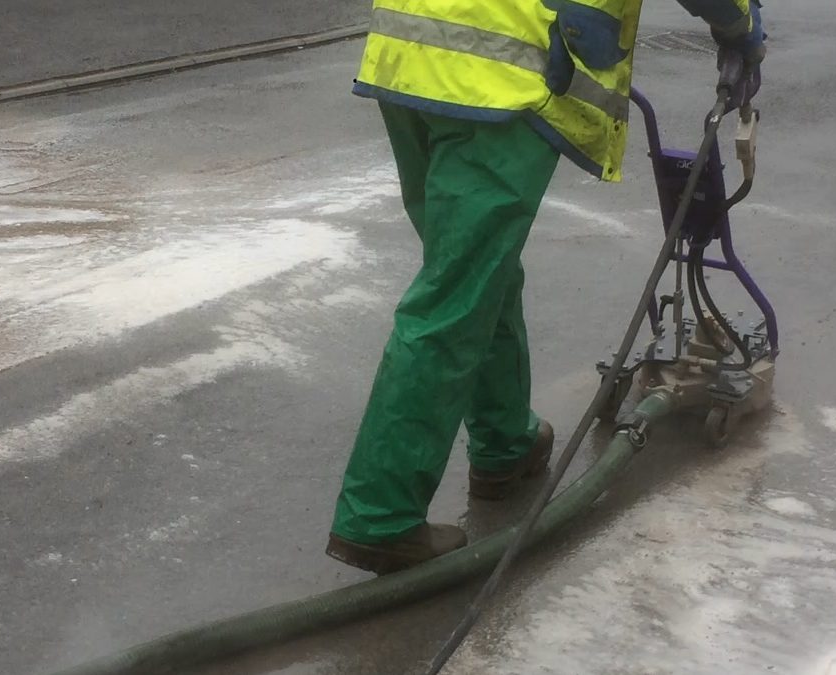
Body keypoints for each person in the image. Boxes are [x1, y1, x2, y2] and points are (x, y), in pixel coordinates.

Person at [327, 0, 766, 575]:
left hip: (410, 54)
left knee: (479, 272)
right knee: (456, 291)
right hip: (499, 77)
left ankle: (505, 444)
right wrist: (743, 26)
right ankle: (378, 517)